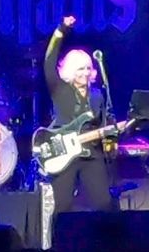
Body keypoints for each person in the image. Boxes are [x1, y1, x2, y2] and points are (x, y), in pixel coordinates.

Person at [41, 15, 115, 213]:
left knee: (104, 204)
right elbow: (49, 62)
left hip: (91, 153)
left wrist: (114, 137)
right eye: (80, 69)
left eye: (88, 68)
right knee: (63, 206)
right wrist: (61, 31)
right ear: (71, 71)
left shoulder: (98, 95)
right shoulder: (60, 89)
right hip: (64, 153)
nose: (85, 73)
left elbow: (104, 125)